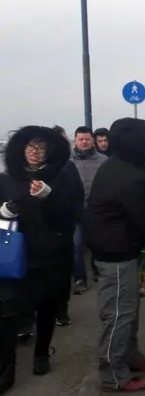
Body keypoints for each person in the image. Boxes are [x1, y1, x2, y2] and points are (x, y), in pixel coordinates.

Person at [0, 126, 84, 392]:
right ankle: (6, 368)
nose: (35, 153)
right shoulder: (6, 179)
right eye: (30, 147)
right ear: (20, 149)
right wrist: (5, 211)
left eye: (41, 148)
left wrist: (49, 197)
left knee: (46, 306)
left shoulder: (62, 175)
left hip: (51, 254)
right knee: (9, 312)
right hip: (14, 256)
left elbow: (72, 215)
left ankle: (42, 353)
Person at [85, 118, 145, 393]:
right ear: (136, 142)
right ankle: (113, 375)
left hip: (119, 250)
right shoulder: (130, 175)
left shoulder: (116, 166)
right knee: (119, 315)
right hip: (116, 255)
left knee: (128, 311)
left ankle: (131, 357)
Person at [66, 126, 107, 297]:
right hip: (75, 212)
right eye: (81, 139)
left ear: (92, 141)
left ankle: (97, 270)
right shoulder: (67, 162)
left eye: (87, 139)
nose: (84, 142)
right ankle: (80, 278)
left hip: (97, 211)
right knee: (75, 246)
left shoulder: (103, 160)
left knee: (98, 243)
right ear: (75, 140)